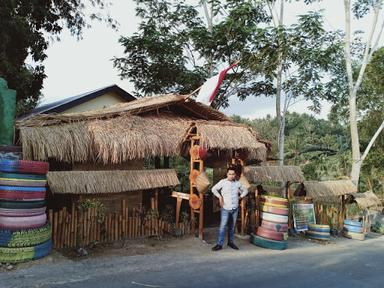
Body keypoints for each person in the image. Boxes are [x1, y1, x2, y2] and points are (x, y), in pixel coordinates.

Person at [211, 166, 248, 251]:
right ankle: (219, 244)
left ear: (235, 175)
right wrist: (220, 197)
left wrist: (240, 197)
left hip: (235, 208)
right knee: (223, 226)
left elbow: (245, 190)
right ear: (227, 174)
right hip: (225, 208)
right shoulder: (222, 182)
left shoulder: (238, 183)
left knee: (232, 227)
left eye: (233, 174)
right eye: (229, 174)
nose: (231, 175)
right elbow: (214, 189)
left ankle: (230, 242)